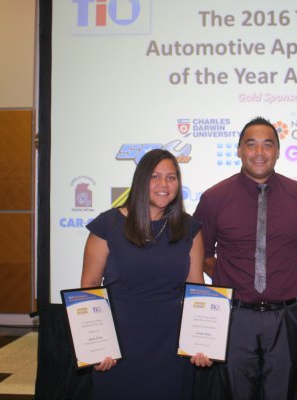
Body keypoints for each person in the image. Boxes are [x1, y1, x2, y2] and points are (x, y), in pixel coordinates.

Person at [193, 117, 297, 400]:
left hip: (285, 318)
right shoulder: (214, 198)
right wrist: (226, 274)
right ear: (238, 150)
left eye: (267, 145)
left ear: (277, 150)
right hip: (235, 318)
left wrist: (286, 274)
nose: (259, 153)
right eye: (251, 145)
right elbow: (200, 254)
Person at [81, 149, 211, 400]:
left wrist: (201, 343)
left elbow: (196, 288)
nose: (164, 185)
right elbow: (89, 285)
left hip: (172, 346)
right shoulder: (107, 225)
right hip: (117, 345)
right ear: (141, 181)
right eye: (155, 177)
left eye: (171, 178)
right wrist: (95, 346)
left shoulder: (189, 228)